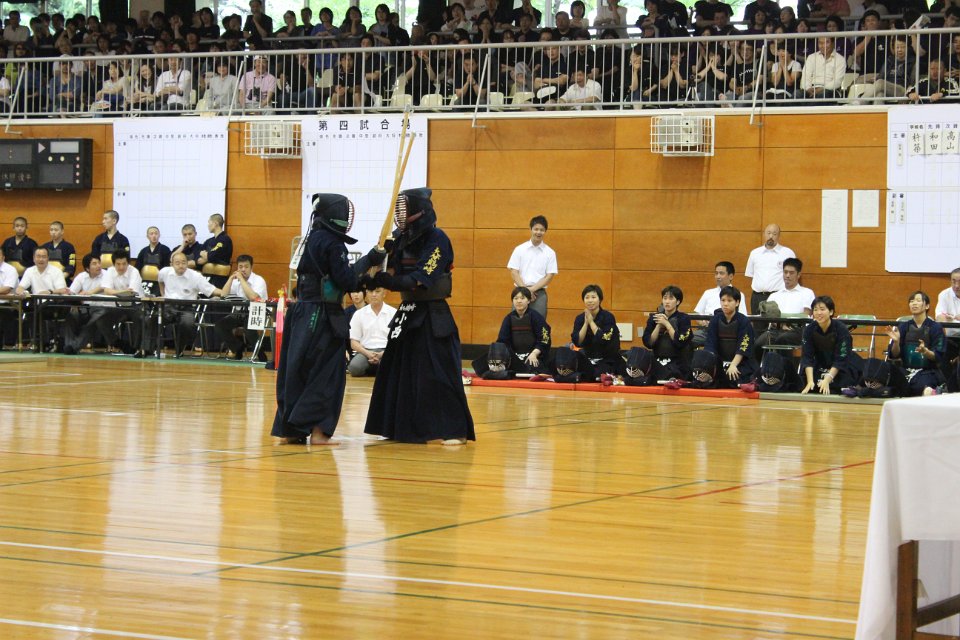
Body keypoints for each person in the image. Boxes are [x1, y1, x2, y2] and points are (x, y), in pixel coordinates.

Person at [363, 188, 476, 445]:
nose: (400, 215)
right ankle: (399, 427)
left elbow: (421, 278)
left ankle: (454, 430)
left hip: (432, 312)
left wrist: (388, 281)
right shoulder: (400, 238)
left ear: (418, 211)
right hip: (408, 312)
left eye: (404, 209)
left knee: (438, 372)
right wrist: (380, 259)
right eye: (398, 210)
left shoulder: (438, 238)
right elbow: (390, 269)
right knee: (397, 370)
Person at [273, 193, 383, 445]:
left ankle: (291, 430)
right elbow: (347, 280)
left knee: (297, 370)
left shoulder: (309, 240)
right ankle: (319, 432)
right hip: (323, 316)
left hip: (301, 314)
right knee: (326, 373)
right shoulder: (333, 243)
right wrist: (369, 260)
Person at [138, 252, 225, 358]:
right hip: (168, 306)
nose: (181, 265)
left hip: (187, 308)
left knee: (188, 323)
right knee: (153, 319)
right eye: (177, 263)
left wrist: (226, 293)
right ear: (172, 264)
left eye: (183, 262)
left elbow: (212, 290)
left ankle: (179, 349)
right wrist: (163, 294)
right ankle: (146, 349)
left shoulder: (195, 276)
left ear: (187, 263)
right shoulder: (164, 272)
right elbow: (160, 281)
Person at [473, 286, 551, 377]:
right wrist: (505, 357)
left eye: (522, 298)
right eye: (516, 298)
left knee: (532, 368)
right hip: (514, 356)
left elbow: (544, 339)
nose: (519, 301)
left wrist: (534, 354)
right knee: (484, 365)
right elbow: (502, 341)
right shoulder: (508, 318)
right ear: (512, 301)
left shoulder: (536, 317)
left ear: (529, 301)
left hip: (532, 355)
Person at [560, 283, 624, 382]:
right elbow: (577, 342)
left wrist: (591, 322)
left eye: (593, 297)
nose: (590, 300)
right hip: (588, 358)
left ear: (600, 299)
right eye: (587, 297)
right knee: (568, 369)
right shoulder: (580, 318)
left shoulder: (608, 317)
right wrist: (586, 323)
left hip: (607, 359)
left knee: (595, 375)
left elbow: (604, 339)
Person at [887, 290, 946, 396]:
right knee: (888, 380)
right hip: (905, 370)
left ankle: (931, 391)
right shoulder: (903, 326)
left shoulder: (936, 327)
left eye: (918, 300)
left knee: (920, 386)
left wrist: (926, 352)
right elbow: (894, 355)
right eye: (911, 301)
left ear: (927, 306)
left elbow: (938, 356)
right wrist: (896, 342)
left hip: (928, 372)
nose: (914, 303)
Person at [755, 257, 815, 360]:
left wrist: (790, 325)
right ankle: (761, 369)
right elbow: (768, 316)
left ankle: (785, 368)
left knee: (783, 339)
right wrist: (781, 324)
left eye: (791, 273)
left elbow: (807, 314)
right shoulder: (774, 295)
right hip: (776, 329)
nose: (787, 275)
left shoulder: (807, 293)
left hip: (797, 330)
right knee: (758, 343)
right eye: (785, 272)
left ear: (798, 275)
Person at [214, 254, 269, 360]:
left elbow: (253, 297)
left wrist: (242, 280)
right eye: (240, 267)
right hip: (240, 312)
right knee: (220, 326)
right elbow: (223, 295)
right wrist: (230, 279)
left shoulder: (259, 280)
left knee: (249, 328)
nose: (243, 269)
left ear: (251, 267)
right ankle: (238, 347)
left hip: (257, 312)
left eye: (246, 267)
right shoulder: (235, 281)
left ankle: (260, 353)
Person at [800, 296, 858, 395]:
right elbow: (807, 356)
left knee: (840, 385)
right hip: (820, 363)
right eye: (815, 310)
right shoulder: (809, 330)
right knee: (808, 384)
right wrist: (810, 381)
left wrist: (828, 379)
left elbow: (841, 358)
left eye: (822, 309)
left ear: (831, 312)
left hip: (842, 365)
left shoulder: (841, 329)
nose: (818, 313)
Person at [701, 285, 755, 388]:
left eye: (729, 301)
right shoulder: (715, 320)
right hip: (719, 362)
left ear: (737, 303)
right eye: (723, 300)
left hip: (740, 363)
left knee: (735, 378)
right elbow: (710, 345)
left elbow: (743, 347)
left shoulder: (744, 321)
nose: (725, 304)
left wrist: (733, 365)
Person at [507, 215, 558, 319]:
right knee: (516, 322)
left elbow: (549, 276)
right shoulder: (519, 249)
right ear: (530, 229)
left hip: (539, 294)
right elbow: (514, 272)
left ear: (545, 231)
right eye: (536, 229)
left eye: (542, 230)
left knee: (539, 323)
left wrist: (532, 290)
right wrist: (525, 291)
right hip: (520, 291)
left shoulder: (550, 252)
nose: (538, 232)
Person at [642, 285, 693, 383]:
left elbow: (680, 341)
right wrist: (658, 326)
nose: (667, 301)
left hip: (677, 362)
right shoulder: (654, 318)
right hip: (657, 360)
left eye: (671, 298)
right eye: (665, 298)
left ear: (678, 302)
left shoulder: (684, 318)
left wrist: (667, 324)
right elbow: (648, 343)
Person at [744, 223, 795, 314]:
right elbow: (750, 275)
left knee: (777, 322)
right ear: (764, 234)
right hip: (757, 297)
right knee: (757, 323)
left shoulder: (787, 253)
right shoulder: (755, 253)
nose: (771, 236)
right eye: (768, 233)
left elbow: (793, 276)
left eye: (774, 234)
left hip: (778, 296)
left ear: (779, 236)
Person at [348, 286, 396, 377]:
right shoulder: (359, 314)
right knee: (354, 368)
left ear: (384, 293)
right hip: (365, 351)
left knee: (393, 368)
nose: (373, 295)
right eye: (370, 291)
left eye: (377, 291)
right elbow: (353, 343)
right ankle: (374, 368)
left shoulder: (394, 313)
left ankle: (375, 368)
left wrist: (382, 354)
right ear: (366, 293)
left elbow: (397, 341)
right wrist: (368, 353)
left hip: (386, 350)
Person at [936, 267, 960, 389]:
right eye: (953, 281)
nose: (956, 285)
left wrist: (953, 318)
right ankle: (949, 389)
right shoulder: (944, 294)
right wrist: (955, 318)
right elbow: (940, 317)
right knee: (940, 352)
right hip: (950, 338)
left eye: (959, 282)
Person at [197, 213, 233, 289]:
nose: (208, 225)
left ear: (215, 223)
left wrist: (206, 257)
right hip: (207, 277)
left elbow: (212, 256)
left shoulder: (224, 239)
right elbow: (198, 256)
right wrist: (206, 256)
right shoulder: (209, 241)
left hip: (220, 279)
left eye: (209, 222)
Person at [136, 226, 171, 296]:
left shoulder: (165, 249)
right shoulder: (143, 251)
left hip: (159, 283)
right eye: (151, 234)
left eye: (156, 233)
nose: (154, 236)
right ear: (147, 236)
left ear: (159, 235)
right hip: (144, 282)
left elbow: (167, 268)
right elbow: (137, 268)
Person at [0, 249, 22, 347]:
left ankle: (9, 344)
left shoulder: (10, 270)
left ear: (3, 257)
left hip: (10, 303)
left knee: (5, 313)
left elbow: (7, 289)